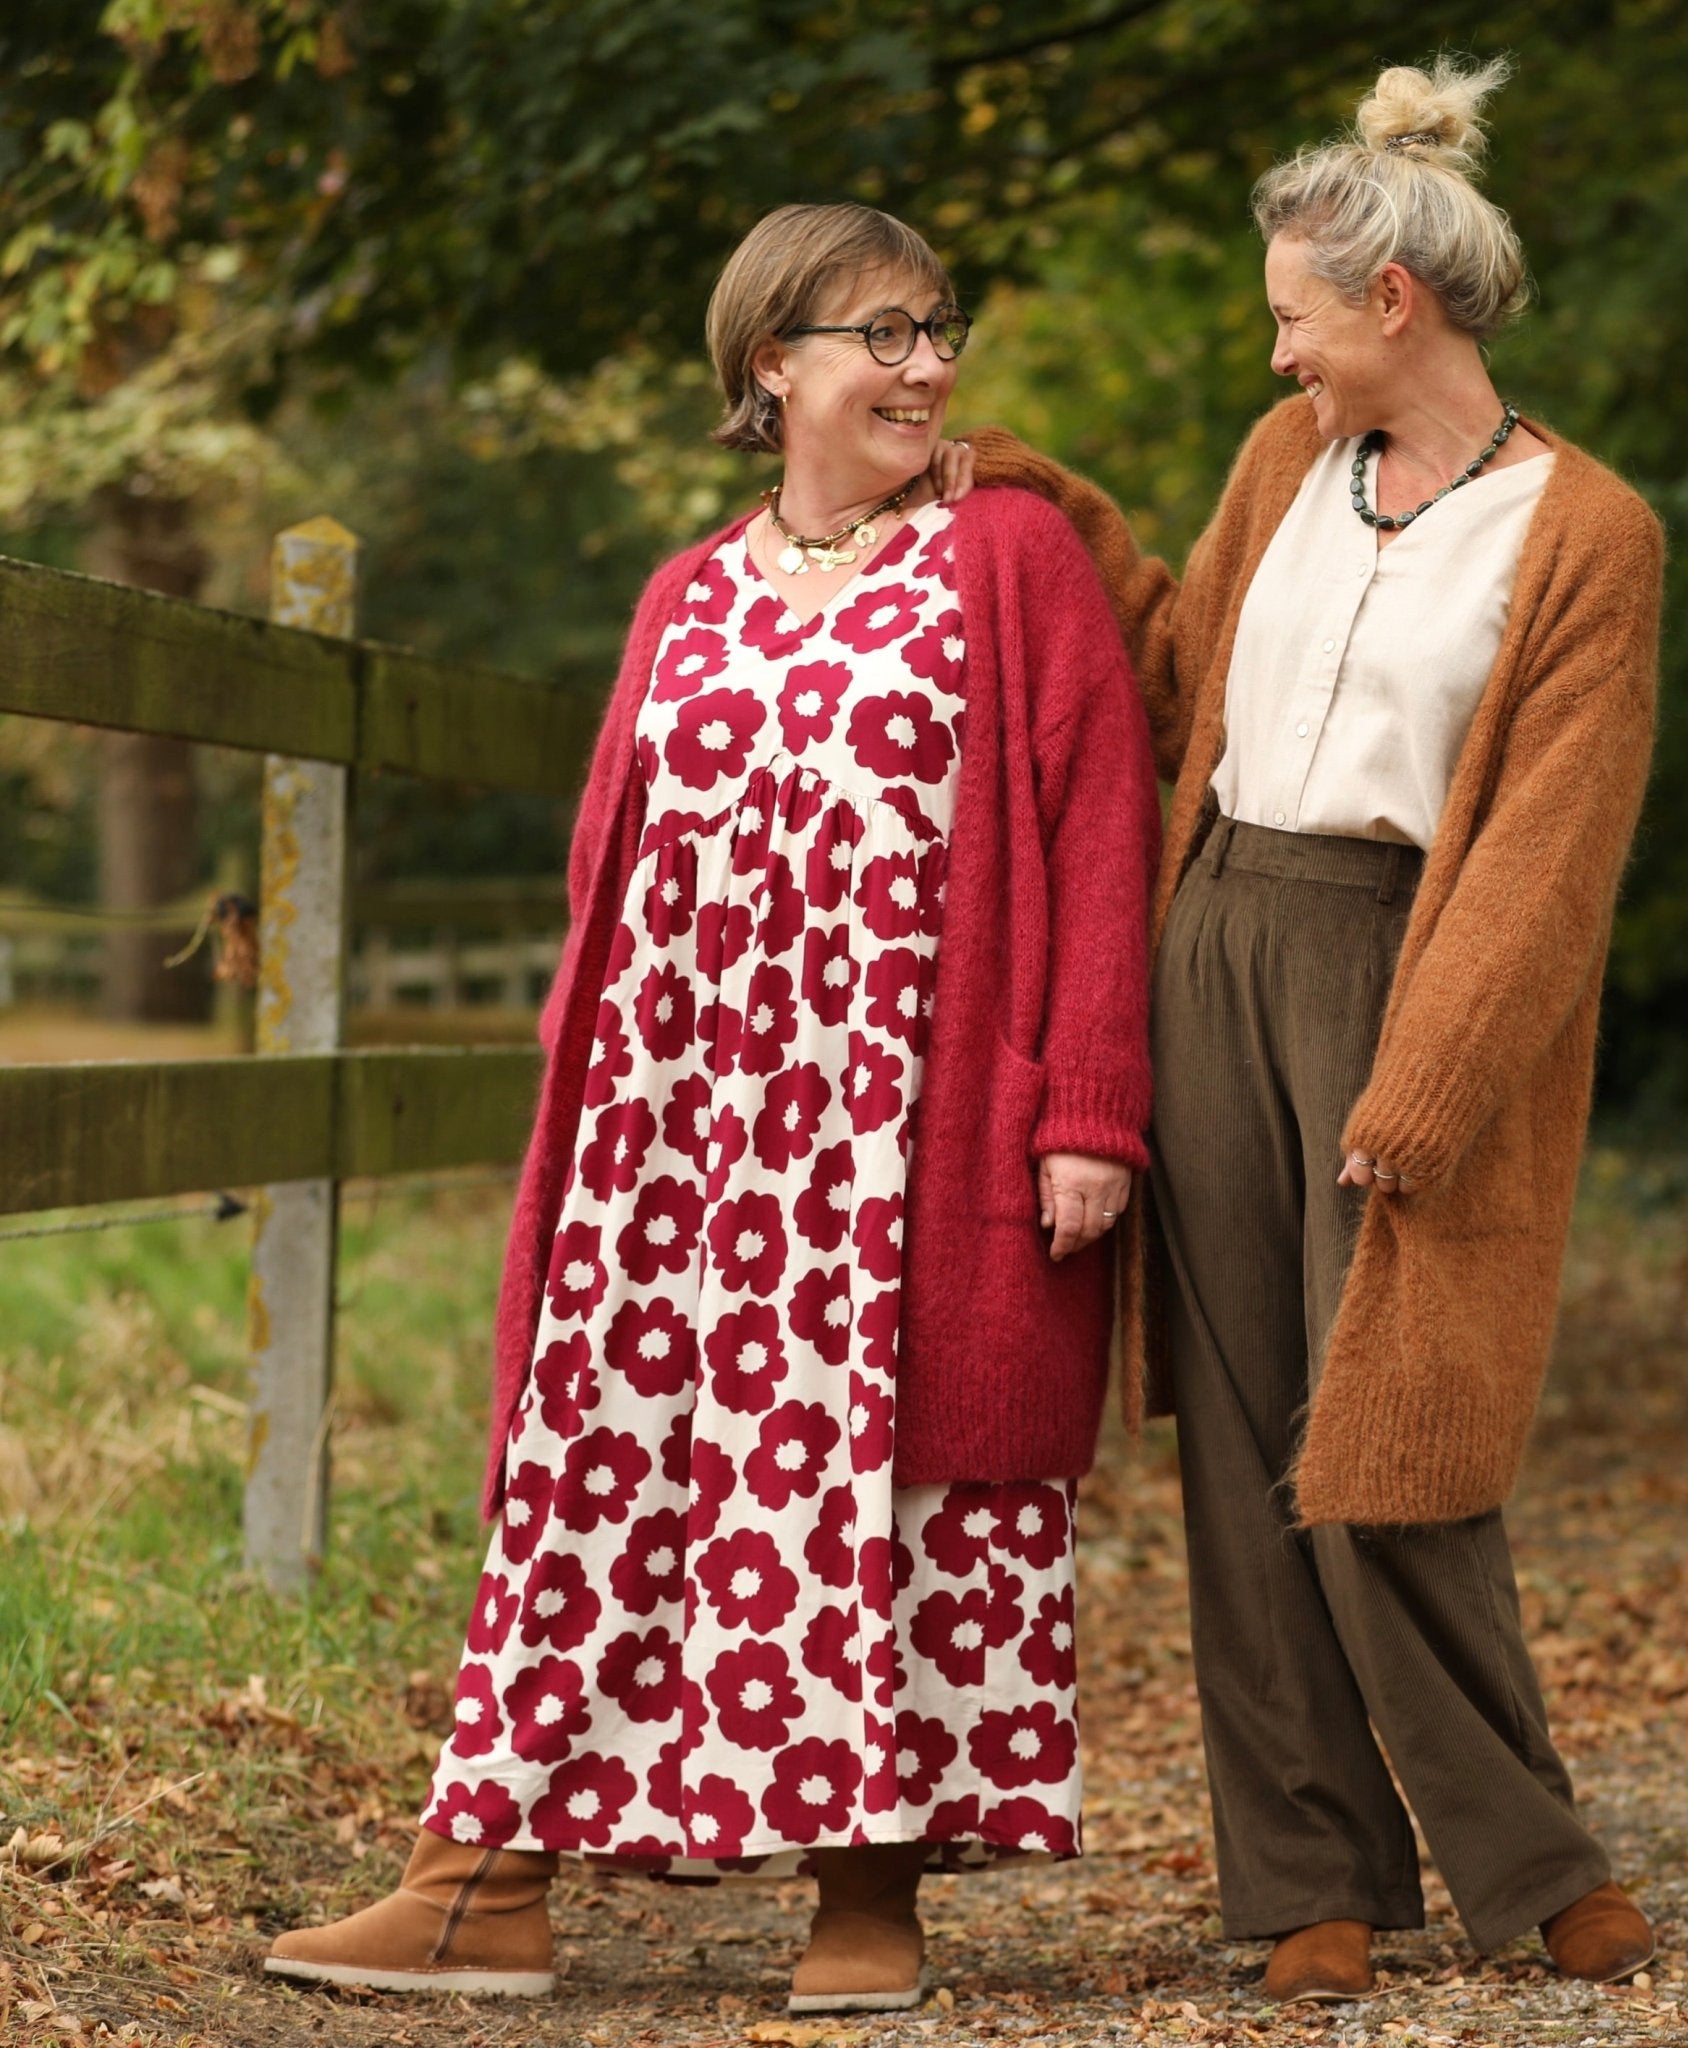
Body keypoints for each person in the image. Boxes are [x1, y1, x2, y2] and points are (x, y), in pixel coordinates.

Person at [265, 202, 1158, 2013]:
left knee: (893, 1491)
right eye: (882, 334)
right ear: (773, 363)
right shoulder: (685, 593)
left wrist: (1088, 1107)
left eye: (939, 329)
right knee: (596, 1468)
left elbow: (1100, 832)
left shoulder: (1010, 557)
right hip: (668, 1138)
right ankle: (480, 1885)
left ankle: (869, 1898)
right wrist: (582, 1119)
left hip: (897, 1132)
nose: (926, 364)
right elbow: (608, 880)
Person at [949, 55, 1663, 2001]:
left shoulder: (1585, 533)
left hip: (1395, 971)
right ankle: (1307, 1883)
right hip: (1216, 940)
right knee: (1247, 1425)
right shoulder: (1288, 467)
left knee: (1390, 1437)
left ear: (1391, 302)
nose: (1275, 355)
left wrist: (1423, 1084)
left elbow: (1549, 854)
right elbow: (1179, 668)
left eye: (1292, 318)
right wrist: (1047, 507)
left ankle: (1535, 1861)